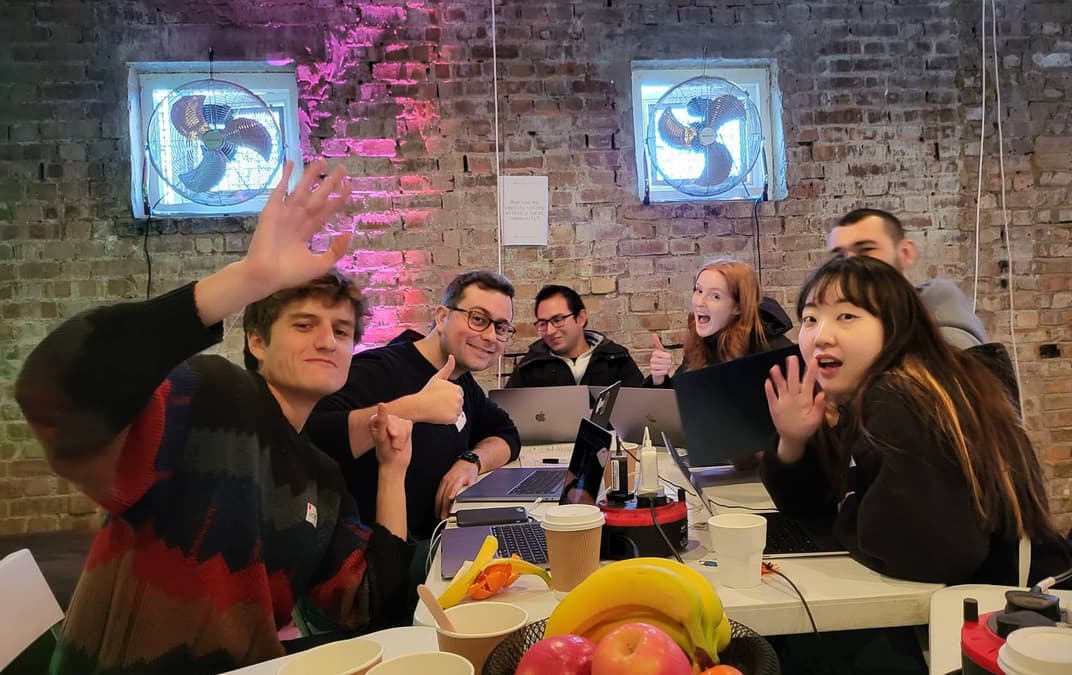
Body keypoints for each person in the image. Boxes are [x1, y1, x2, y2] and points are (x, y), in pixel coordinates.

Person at [14, 160, 420, 674]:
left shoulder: (319, 476)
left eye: (341, 331)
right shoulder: (210, 394)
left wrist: (392, 470)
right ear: (257, 341)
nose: (327, 340)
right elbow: (56, 390)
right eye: (304, 324)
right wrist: (246, 280)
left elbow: (373, 602)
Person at [760, 255, 1072, 590]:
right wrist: (794, 440)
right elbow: (803, 506)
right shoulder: (861, 397)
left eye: (846, 316)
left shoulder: (902, 397)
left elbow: (932, 555)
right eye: (810, 319)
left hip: (1038, 603)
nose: (821, 336)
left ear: (896, 327)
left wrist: (846, 510)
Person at [307, 271, 521, 539]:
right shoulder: (378, 369)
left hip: (442, 537)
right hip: (381, 551)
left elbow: (507, 433)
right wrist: (415, 408)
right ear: (442, 317)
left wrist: (471, 462)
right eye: (478, 319)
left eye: (500, 327)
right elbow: (311, 436)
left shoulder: (461, 379)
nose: (490, 336)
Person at [828, 208, 987, 349]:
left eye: (866, 250)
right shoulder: (832, 315)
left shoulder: (935, 300)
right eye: (840, 256)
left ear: (905, 253)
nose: (849, 264)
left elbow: (955, 362)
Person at [646, 258, 792, 388]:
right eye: (699, 290)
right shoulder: (702, 343)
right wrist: (659, 379)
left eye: (715, 296)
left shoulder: (771, 351)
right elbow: (683, 402)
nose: (700, 302)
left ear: (738, 307)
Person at [505, 284, 643, 389]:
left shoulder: (616, 359)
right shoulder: (529, 367)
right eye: (543, 323)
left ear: (581, 318)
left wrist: (655, 381)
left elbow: (642, 409)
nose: (550, 331)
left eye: (558, 320)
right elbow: (510, 412)